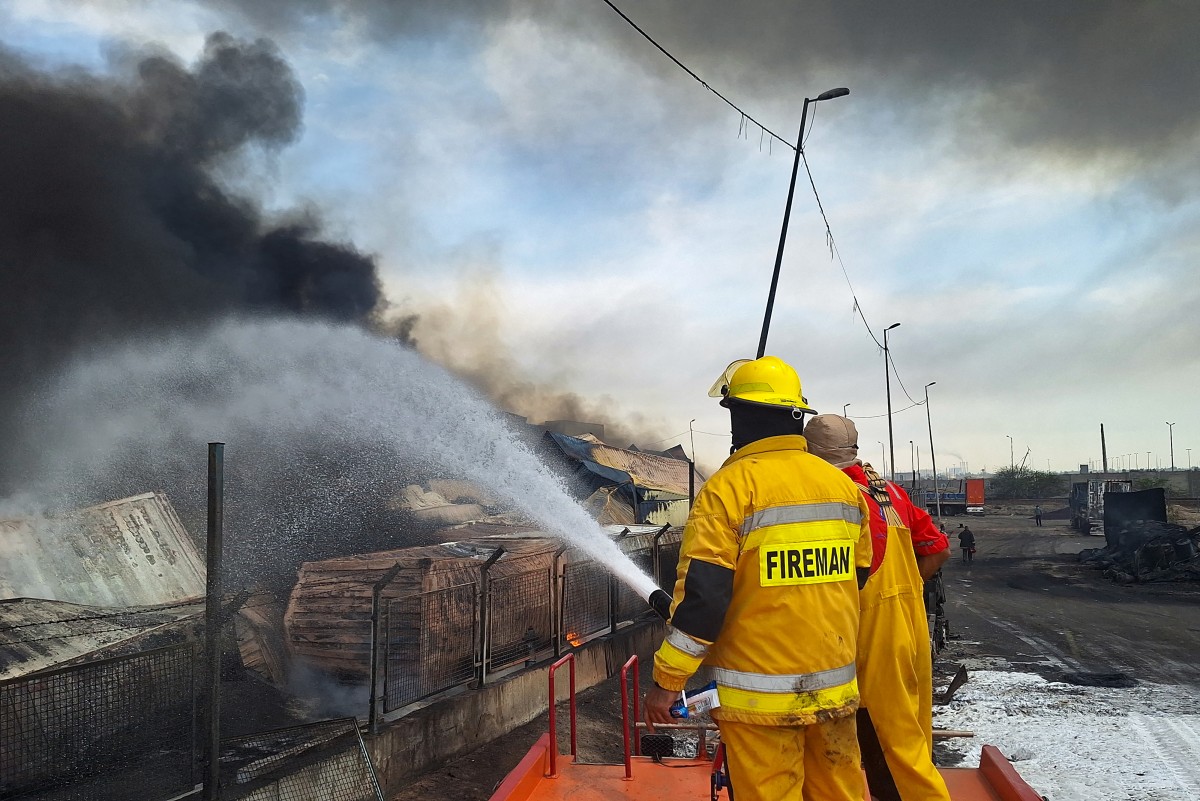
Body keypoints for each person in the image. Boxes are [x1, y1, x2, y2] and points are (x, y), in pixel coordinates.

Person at [643, 356, 873, 801]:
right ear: (795, 415)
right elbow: (857, 574)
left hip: (757, 706)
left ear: (740, 415)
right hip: (835, 695)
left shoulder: (728, 490)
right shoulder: (842, 487)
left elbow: (705, 602)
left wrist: (667, 682)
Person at [805, 414, 952, 801]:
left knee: (875, 739)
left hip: (868, 629)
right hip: (910, 622)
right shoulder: (890, 492)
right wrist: (905, 590)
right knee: (909, 736)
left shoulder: (837, 494)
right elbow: (938, 550)